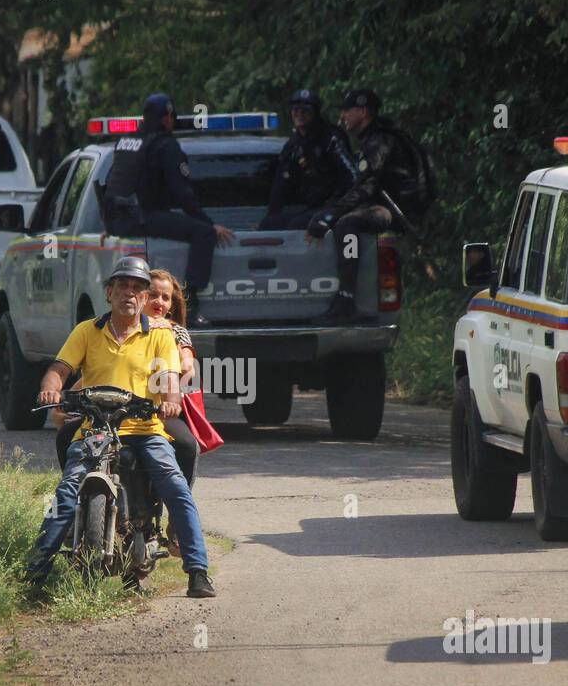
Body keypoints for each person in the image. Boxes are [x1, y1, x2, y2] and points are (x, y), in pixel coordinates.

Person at [27, 256, 216, 598]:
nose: (130, 293)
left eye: (138, 288)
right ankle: (34, 575)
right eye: (123, 286)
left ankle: (198, 571)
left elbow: (171, 377)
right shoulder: (87, 331)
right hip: (95, 430)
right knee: (66, 493)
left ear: (145, 298)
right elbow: (60, 367)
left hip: (146, 430)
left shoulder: (160, 337)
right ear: (109, 292)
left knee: (176, 488)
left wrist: (171, 399)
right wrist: (52, 386)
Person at [54, 268, 199, 488]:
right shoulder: (109, 328)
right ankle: (77, 496)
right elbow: (101, 372)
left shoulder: (172, 331)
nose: (158, 301)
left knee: (187, 445)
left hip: (156, 412)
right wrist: (68, 399)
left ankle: (175, 512)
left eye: (166, 298)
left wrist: (168, 398)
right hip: (112, 409)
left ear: (172, 306)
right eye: (153, 295)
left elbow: (188, 368)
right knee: (66, 434)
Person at [102, 92, 235, 327]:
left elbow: (116, 181)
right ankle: (191, 306)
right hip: (142, 218)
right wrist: (209, 223)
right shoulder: (165, 145)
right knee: (203, 232)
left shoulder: (127, 139)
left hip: (118, 219)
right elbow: (183, 194)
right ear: (167, 118)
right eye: (171, 117)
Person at [308, 88, 435, 323]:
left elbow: (365, 187)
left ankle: (346, 299)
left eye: (347, 110)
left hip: (396, 209)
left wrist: (330, 218)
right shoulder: (373, 138)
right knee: (343, 219)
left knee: (346, 226)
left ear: (363, 112)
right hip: (385, 204)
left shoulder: (380, 141)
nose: (343, 115)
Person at [260, 89, 357, 232]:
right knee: (270, 224)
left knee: (297, 225)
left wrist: (335, 207)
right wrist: (271, 214)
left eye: (305, 110)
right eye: (296, 110)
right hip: (310, 206)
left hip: (333, 206)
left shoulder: (331, 138)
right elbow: (279, 184)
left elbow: (351, 177)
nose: (299, 114)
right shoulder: (293, 144)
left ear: (315, 113)